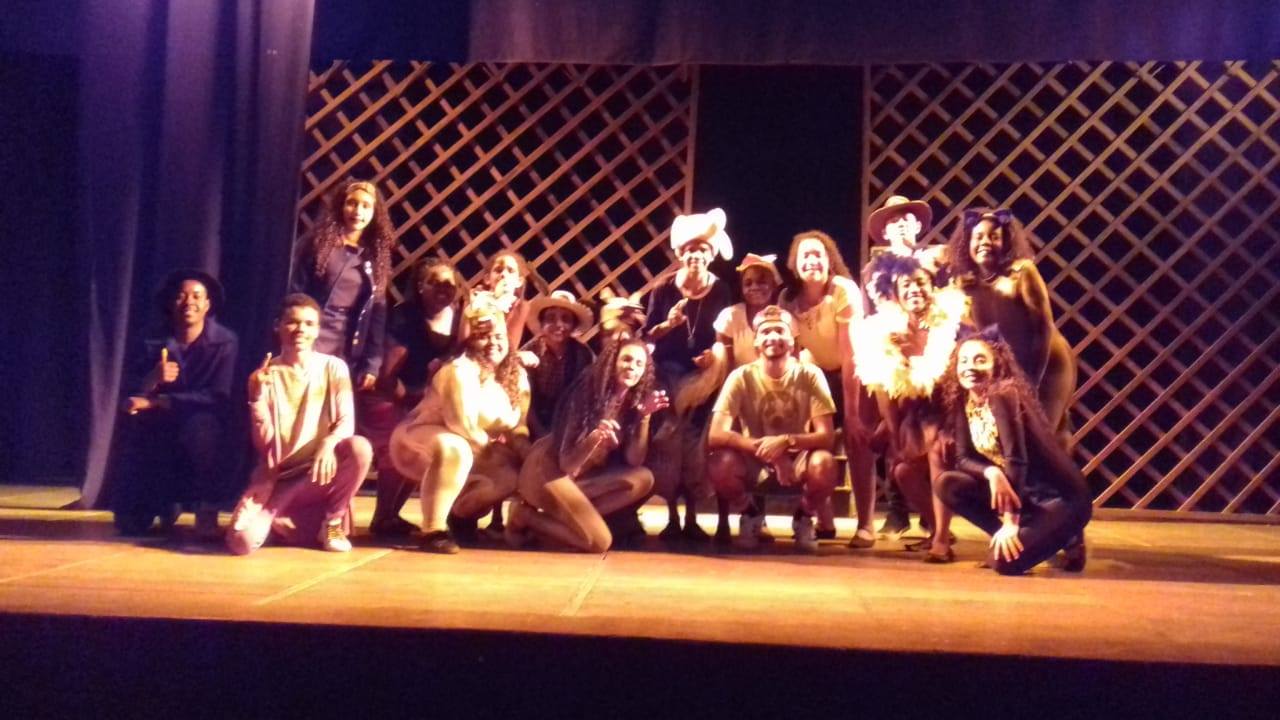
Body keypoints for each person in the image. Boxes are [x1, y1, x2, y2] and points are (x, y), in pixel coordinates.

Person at [936, 327, 1090, 574]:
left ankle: (1069, 536)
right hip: (1024, 496)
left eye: (980, 360)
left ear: (997, 364)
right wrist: (991, 473)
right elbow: (963, 458)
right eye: (963, 361)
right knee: (948, 483)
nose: (969, 367)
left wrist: (1010, 522)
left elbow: (1016, 458)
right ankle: (1010, 538)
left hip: (1060, 500)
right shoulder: (962, 399)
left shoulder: (1004, 394)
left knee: (1004, 564)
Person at [226, 294, 372, 555]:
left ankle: (332, 522)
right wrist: (256, 399)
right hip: (282, 478)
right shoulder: (267, 375)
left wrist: (328, 444)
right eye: (292, 322)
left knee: (359, 448)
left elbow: (346, 421)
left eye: (308, 323)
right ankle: (284, 518)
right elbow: (266, 446)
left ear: (317, 330)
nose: (300, 329)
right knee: (242, 543)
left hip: (322, 471)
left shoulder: (333, 367)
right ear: (278, 326)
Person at [388, 293, 530, 553]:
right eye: (483, 336)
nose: (492, 343)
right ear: (471, 341)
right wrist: (498, 452)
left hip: (477, 446)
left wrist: (523, 452)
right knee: (455, 447)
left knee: (510, 476)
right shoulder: (459, 371)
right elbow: (460, 425)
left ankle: (461, 516)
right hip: (418, 440)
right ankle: (432, 529)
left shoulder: (516, 375)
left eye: (498, 337)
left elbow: (518, 424)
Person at [854, 254, 967, 562]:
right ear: (895, 294)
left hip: (956, 412)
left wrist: (947, 427)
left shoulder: (953, 325)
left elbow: (961, 384)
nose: (914, 289)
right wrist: (893, 435)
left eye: (921, 282)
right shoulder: (888, 331)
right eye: (906, 285)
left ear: (933, 287)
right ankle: (937, 529)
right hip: (917, 414)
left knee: (935, 445)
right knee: (903, 471)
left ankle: (941, 541)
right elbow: (883, 385)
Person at [110, 269, 238, 539]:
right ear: (171, 302)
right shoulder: (151, 340)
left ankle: (206, 509)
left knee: (203, 431)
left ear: (207, 305)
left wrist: (160, 401)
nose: (189, 302)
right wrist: (152, 379)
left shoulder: (224, 342)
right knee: (130, 526)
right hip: (156, 420)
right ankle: (156, 504)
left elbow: (218, 396)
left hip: (201, 418)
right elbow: (129, 391)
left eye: (196, 296)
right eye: (181, 296)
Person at [507, 338, 667, 552]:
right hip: (548, 470)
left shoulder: (631, 401)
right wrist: (594, 438)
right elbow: (567, 463)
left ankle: (565, 524)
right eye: (627, 360)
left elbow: (634, 459)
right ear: (612, 362)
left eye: (639, 364)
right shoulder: (586, 395)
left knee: (643, 479)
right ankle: (525, 516)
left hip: (579, 477)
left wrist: (643, 416)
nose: (632, 368)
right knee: (599, 542)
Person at [706, 306, 839, 552]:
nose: (773, 337)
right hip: (755, 460)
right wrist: (772, 453)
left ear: (792, 340)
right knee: (719, 463)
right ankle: (750, 513)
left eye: (780, 330)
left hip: (798, 460)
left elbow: (826, 436)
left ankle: (804, 516)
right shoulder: (740, 376)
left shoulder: (810, 374)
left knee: (825, 463)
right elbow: (716, 434)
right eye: (765, 332)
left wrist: (786, 442)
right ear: (756, 341)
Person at [779, 230, 877, 548]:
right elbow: (793, 355)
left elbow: (850, 356)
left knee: (857, 440)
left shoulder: (843, 290)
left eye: (818, 254)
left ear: (829, 261)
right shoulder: (787, 300)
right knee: (814, 440)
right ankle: (824, 519)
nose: (812, 260)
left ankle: (866, 525)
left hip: (854, 372)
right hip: (816, 376)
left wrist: (851, 413)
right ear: (795, 264)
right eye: (805, 255)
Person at [644, 209, 735, 541]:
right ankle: (672, 516)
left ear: (710, 256)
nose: (696, 255)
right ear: (680, 254)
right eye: (690, 250)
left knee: (695, 443)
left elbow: (723, 334)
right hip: (667, 375)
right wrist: (667, 325)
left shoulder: (720, 290)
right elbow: (647, 336)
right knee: (670, 442)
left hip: (704, 377)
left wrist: (712, 355)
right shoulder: (663, 289)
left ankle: (695, 516)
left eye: (703, 250)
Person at [948, 208, 1075, 441]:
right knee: (1011, 441)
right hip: (1007, 370)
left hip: (1046, 363)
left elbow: (1042, 328)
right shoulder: (965, 284)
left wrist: (1032, 381)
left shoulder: (1021, 272)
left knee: (1041, 437)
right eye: (978, 237)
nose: (985, 242)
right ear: (967, 244)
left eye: (994, 237)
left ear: (1006, 242)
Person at [862, 196, 947, 538]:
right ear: (884, 232)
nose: (900, 225)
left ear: (917, 227)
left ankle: (933, 517)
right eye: (893, 221)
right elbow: (868, 313)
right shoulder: (874, 270)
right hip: (889, 355)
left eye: (906, 219)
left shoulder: (934, 261)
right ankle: (898, 511)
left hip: (929, 349)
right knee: (892, 432)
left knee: (928, 435)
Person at [368, 257, 468, 538]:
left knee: (427, 447)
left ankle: (392, 515)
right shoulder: (405, 317)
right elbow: (387, 374)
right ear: (420, 286)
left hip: (428, 397)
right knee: (400, 441)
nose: (444, 289)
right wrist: (410, 401)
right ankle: (382, 515)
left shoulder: (458, 318)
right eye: (435, 283)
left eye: (450, 284)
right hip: (392, 393)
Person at [289, 178, 393, 391]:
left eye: (366, 206)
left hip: (347, 347)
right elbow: (295, 293)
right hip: (312, 336)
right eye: (352, 203)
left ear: (374, 213)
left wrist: (372, 364)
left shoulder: (375, 256)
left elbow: (377, 313)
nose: (358, 211)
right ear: (341, 206)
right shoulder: (318, 244)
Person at [710, 253, 783, 542]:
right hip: (735, 392)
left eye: (762, 281)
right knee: (722, 448)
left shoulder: (781, 318)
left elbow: (792, 362)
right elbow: (724, 367)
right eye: (748, 282)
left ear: (773, 285)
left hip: (773, 396)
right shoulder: (730, 316)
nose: (755, 287)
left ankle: (756, 517)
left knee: (765, 450)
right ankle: (724, 520)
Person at [522, 290, 595, 438]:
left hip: (569, 424)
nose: (558, 324)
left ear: (573, 325)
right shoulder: (530, 352)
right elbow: (524, 402)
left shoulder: (582, 354)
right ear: (542, 323)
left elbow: (584, 397)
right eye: (551, 318)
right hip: (531, 425)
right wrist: (541, 433)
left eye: (566, 319)